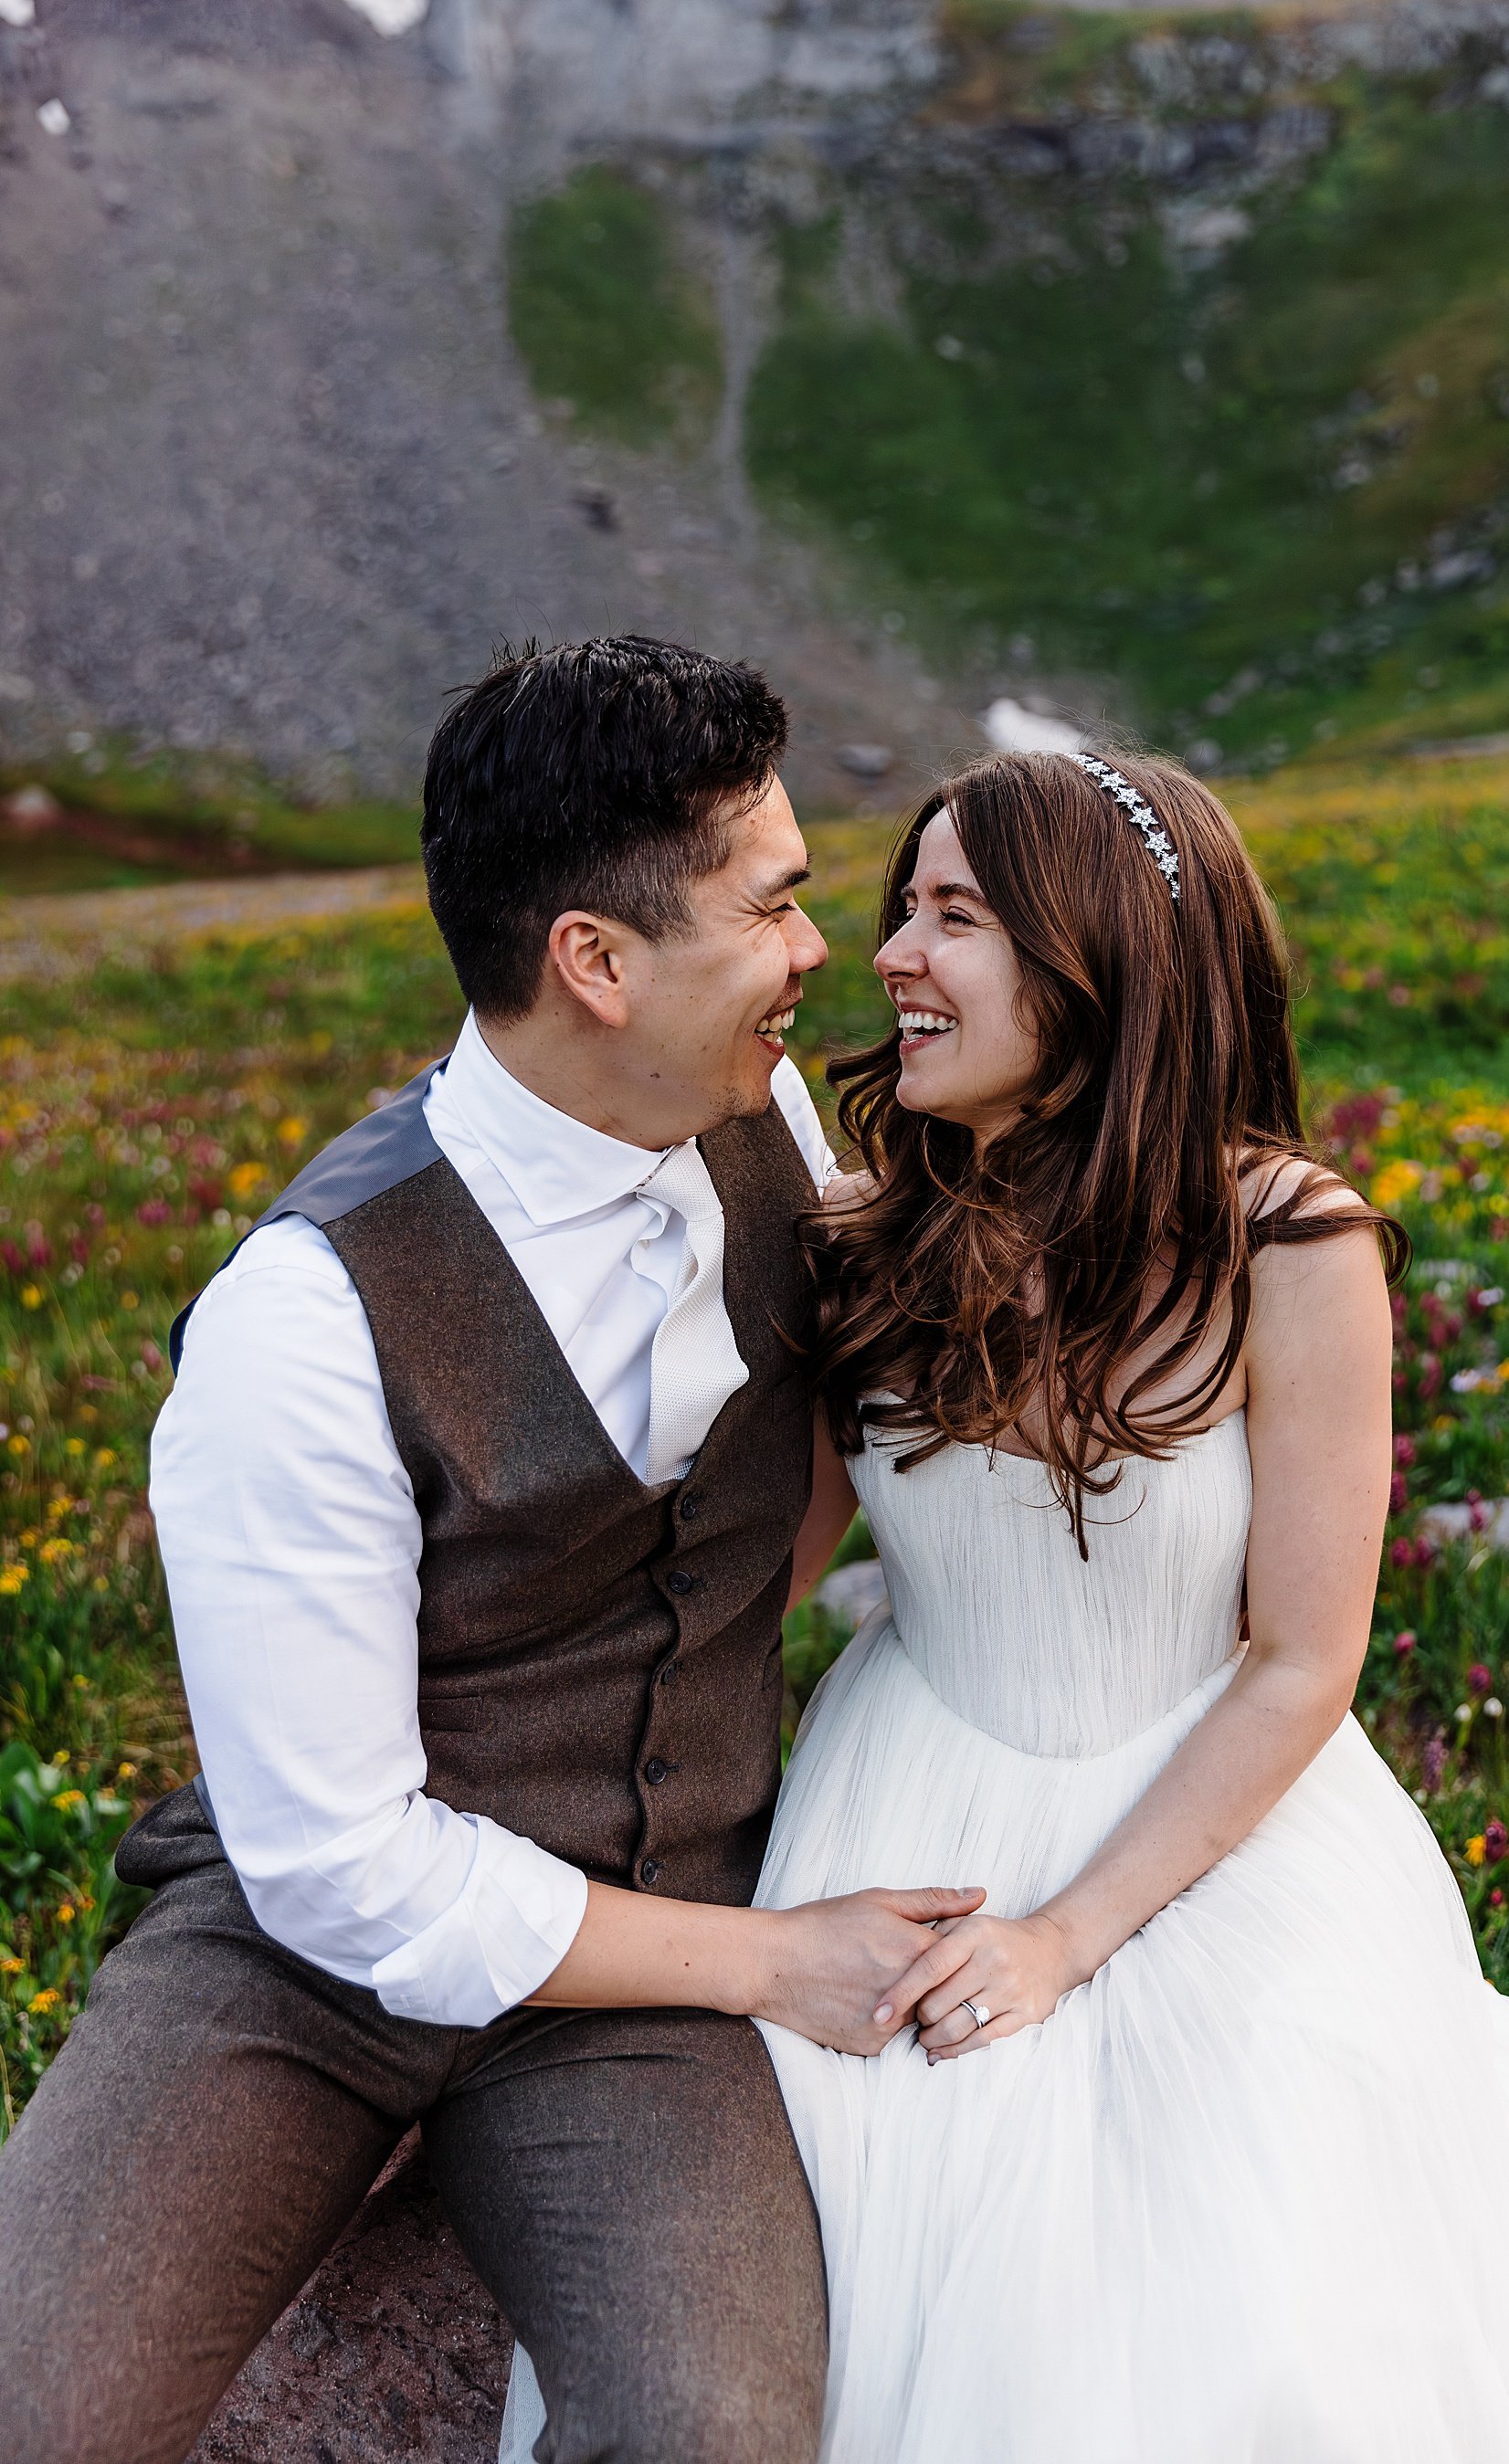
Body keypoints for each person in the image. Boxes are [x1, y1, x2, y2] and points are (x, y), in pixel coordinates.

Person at [535, 744, 1509, 2459]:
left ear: (1100, 956)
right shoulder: (870, 1232)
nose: (891, 953)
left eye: (955, 914)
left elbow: (1306, 1659)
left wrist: (1066, 1936)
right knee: (826, 2236)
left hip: (1216, 1809)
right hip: (912, 1788)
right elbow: (763, 1567)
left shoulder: (1286, 1237)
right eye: (900, 907)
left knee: (1258, 2296)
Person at [0, 637, 985, 2464]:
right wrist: (772, 1962)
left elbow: (826, 1454)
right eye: (774, 904)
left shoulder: (760, 1111)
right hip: (309, 1970)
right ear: (594, 964)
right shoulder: (300, 1322)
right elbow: (345, 1870)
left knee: (707, 2435)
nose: (817, 951)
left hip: (644, 1957)